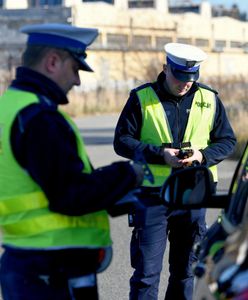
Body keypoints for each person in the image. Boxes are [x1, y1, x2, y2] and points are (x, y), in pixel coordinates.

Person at [0, 23, 145, 300]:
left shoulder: (9, 107)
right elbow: (69, 194)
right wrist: (128, 174)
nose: (77, 81)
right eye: (76, 69)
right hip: (53, 269)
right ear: (53, 62)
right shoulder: (40, 118)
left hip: (25, 262)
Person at [113, 42, 236, 300]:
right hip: (152, 197)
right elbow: (122, 141)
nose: (185, 83)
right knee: (146, 274)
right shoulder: (141, 98)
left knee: (185, 272)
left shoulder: (210, 99)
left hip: (194, 195)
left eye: (191, 79)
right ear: (165, 68)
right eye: (180, 77)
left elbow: (227, 142)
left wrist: (202, 156)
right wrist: (160, 155)